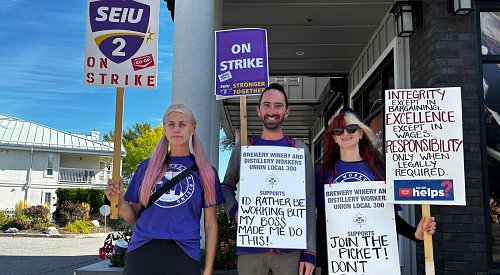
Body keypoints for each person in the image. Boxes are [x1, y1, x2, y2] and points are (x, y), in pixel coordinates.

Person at [105, 104, 224, 275]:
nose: (176, 129)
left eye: (182, 124)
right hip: (142, 250)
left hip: (184, 252)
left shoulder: (205, 171)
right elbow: (132, 217)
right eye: (171, 124)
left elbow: (211, 224)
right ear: (164, 129)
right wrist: (119, 200)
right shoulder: (147, 167)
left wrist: (208, 269)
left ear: (193, 128)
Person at [315, 108, 437, 275]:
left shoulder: (379, 170)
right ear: (334, 138)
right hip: (339, 259)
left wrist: (415, 234)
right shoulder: (323, 172)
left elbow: (388, 218)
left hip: (374, 258)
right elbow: (321, 220)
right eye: (338, 130)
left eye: (351, 128)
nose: (345, 133)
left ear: (360, 133)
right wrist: (317, 259)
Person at [221, 83, 316, 275]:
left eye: (278, 106)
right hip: (252, 248)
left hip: (290, 249)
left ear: (287, 112)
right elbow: (226, 186)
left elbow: (309, 200)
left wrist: (310, 251)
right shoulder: (244, 148)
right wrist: (235, 211)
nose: (272, 111)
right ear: (258, 110)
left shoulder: (299, 150)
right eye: (267, 105)